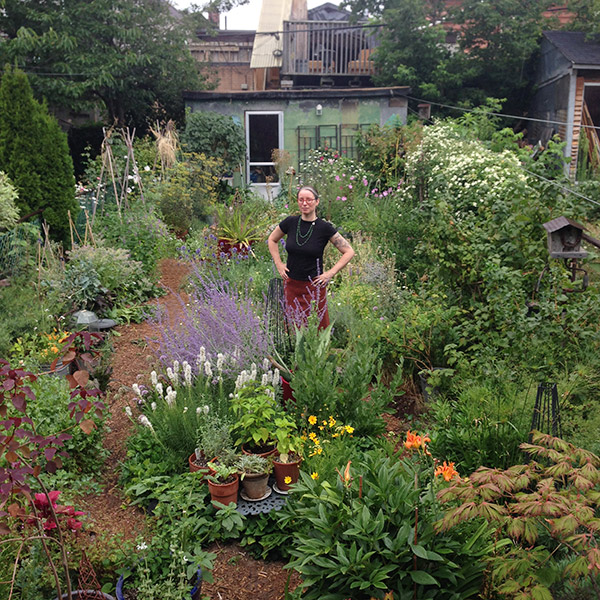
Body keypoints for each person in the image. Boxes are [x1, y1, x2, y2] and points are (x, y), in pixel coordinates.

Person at [267, 185, 355, 329]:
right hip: (291, 285)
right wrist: (279, 264)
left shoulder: (324, 228)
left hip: (314, 287)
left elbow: (349, 251)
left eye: (309, 199)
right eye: (301, 200)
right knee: (292, 328)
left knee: (316, 328)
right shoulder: (290, 223)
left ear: (317, 202)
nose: (305, 203)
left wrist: (330, 274)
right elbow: (272, 239)